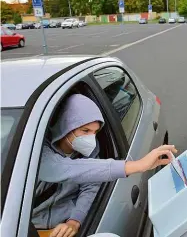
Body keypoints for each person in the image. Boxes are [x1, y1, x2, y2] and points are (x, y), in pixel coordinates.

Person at [32, 94, 177, 237]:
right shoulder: (39, 151)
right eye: (85, 131)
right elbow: (64, 169)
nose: (91, 138)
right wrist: (138, 166)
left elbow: (90, 185)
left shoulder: (91, 151)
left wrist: (74, 221)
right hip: (31, 225)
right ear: (66, 126)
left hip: (61, 225)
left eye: (95, 132)